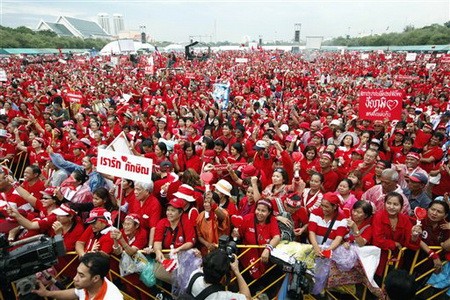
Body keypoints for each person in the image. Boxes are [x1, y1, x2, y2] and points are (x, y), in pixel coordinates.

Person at [371, 192, 422, 279]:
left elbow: (410, 242)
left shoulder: (404, 219)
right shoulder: (378, 216)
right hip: (379, 255)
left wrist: (414, 236)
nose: (391, 207)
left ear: (401, 207)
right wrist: (395, 244)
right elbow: (377, 240)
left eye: (395, 204)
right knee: (377, 281)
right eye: (389, 203)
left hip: (397, 257)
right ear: (384, 204)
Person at [32, 252, 123, 299]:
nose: (75, 278)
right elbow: (75, 293)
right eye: (77, 273)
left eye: (81, 275)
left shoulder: (111, 297)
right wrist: (47, 293)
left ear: (96, 278)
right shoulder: (89, 285)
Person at [231, 199, 281, 279]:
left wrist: (268, 249)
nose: (259, 213)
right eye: (258, 209)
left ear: (269, 213)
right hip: (246, 262)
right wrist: (235, 234)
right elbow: (238, 236)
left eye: (263, 211)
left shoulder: (272, 220)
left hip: (264, 262)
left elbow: (277, 237)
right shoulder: (248, 218)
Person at [186, 250, 251, 300]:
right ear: (223, 278)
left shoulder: (195, 276)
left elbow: (205, 267)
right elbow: (247, 298)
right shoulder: (221, 297)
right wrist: (236, 271)